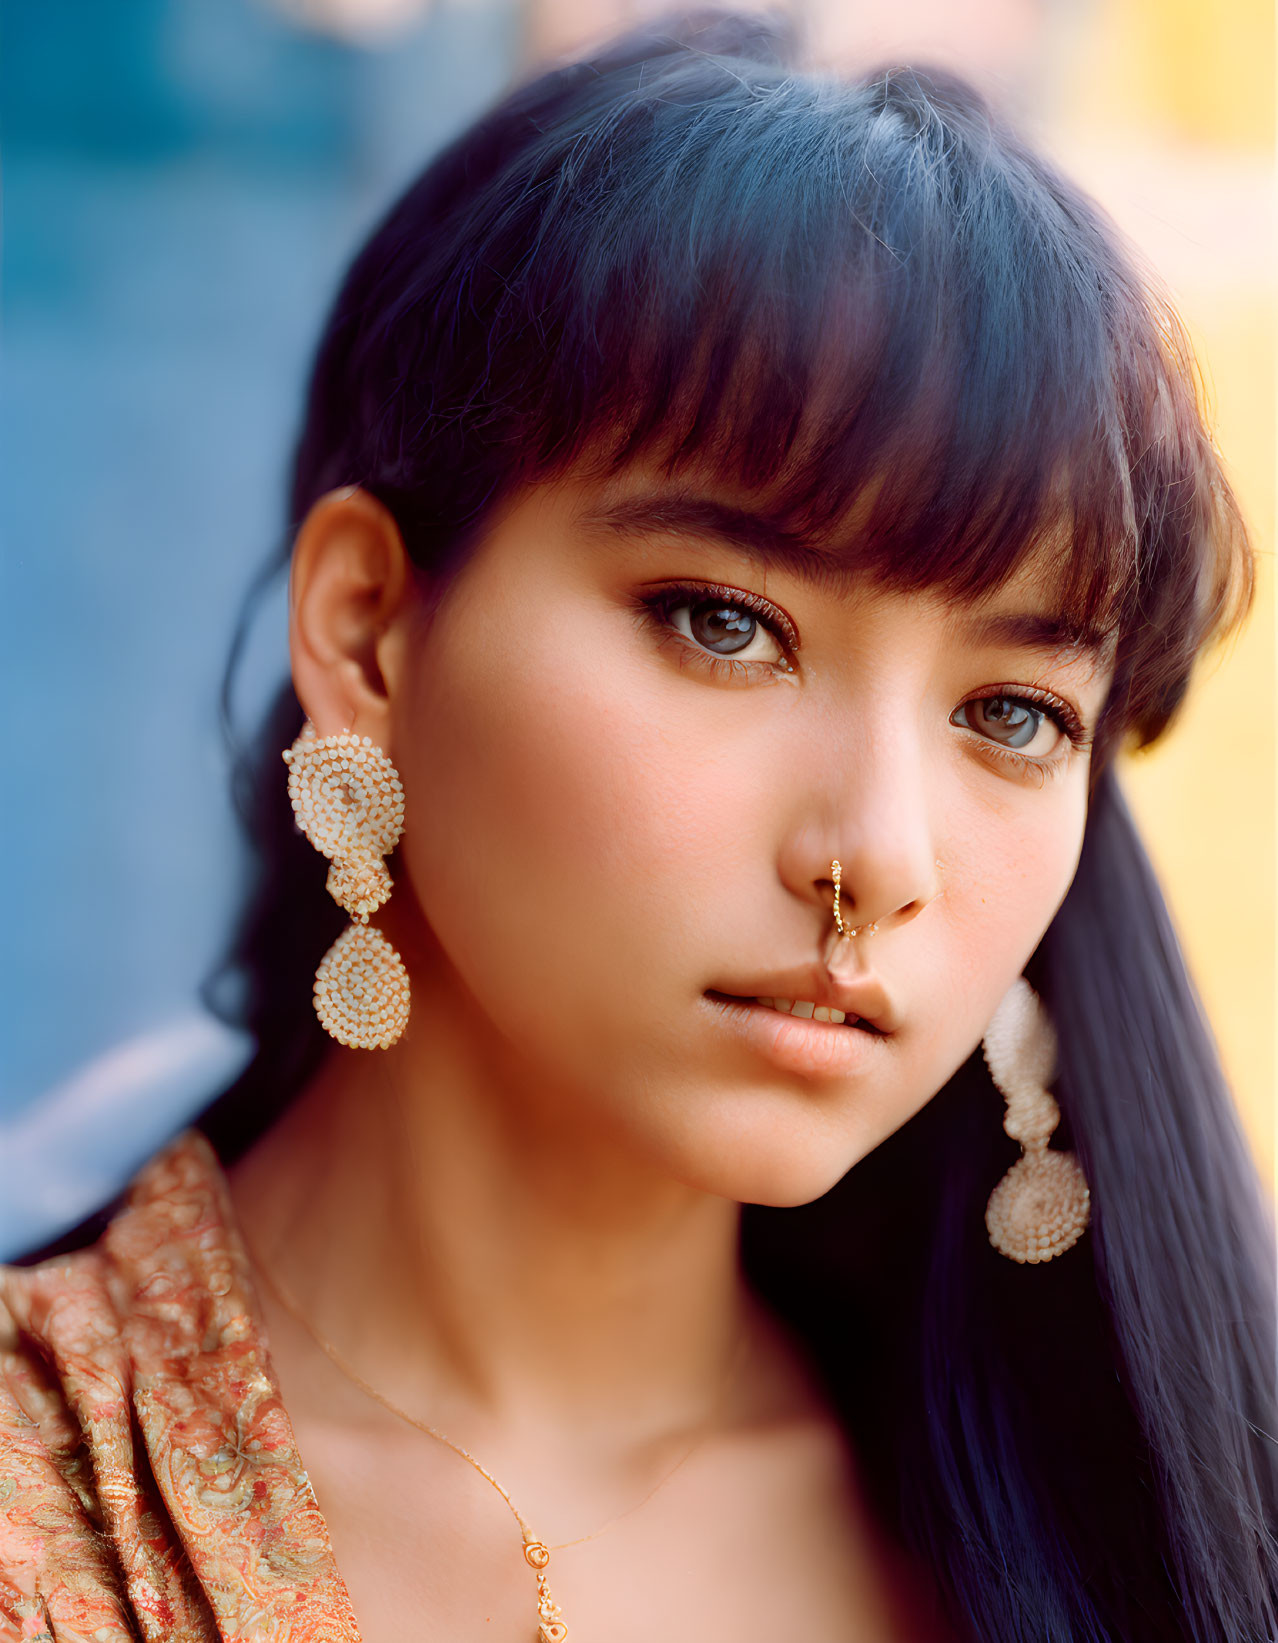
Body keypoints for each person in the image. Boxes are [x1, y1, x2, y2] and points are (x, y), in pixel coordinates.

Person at [2, 11, 1275, 1641]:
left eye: (1007, 716)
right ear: (370, 631)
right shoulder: (47, 1504)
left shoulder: (1127, 1538)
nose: (875, 857)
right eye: (724, 623)